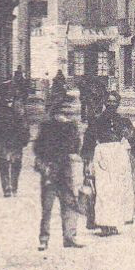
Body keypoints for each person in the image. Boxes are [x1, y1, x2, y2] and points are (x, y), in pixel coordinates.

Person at [83, 90, 135, 235]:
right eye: (108, 101)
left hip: (118, 156)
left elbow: (132, 137)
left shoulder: (123, 121)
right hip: (102, 155)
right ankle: (103, 224)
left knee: (117, 190)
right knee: (103, 190)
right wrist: (87, 161)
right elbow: (88, 142)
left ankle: (113, 222)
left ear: (118, 104)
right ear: (104, 102)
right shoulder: (96, 121)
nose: (111, 104)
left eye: (114, 102)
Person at [35, 95, 85, 251]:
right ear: (55, 112)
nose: (65, 116)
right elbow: (37, 148)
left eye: (67, 113)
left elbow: (76, 148)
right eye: (63, 112)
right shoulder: (47, 127)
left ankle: (69, 237)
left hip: (65, 171)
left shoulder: (71, 127)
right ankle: (44, 239)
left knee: (70, 205)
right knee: (47, 207)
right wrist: (44, 163)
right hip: (50, 171)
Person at [0, 81, 30, 198]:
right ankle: (6, 188)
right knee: (3, 162)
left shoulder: (19, 105)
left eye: (11, 93)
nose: (8, 96)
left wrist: (25, 136)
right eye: (6, 93)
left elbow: (25, 122)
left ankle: (14, 186)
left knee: (16, 163)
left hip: (17, 138)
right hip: (3, 137)